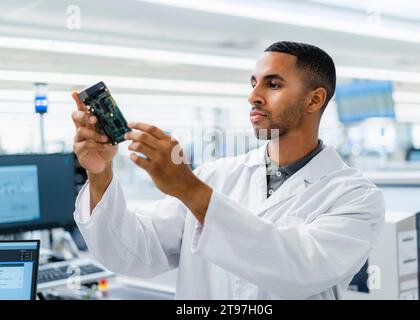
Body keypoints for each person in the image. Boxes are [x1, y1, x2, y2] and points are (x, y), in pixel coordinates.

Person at [71, 41, 385, 299]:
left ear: (314, 99)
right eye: (253, 83)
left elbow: (298, 269)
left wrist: (188, 188)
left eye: (272, 84)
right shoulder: (216, 175)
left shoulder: (355, 197)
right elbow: (135, 252)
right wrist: (100, 175)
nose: (253, 96)